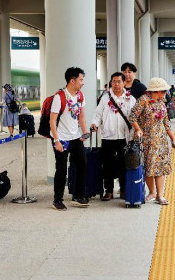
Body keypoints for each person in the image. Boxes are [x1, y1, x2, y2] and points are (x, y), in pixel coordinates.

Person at [129, 77, 175, 205]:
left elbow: (166, 123)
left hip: (160, 141)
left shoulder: (161, 103)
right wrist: (138, 129)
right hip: (147, 140)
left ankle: (160, 195)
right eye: (163, 91)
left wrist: (173, 139)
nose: (165, 94)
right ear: (156, 91)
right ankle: (152, 192)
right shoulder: (143, 101)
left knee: (160, 167)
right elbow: (132, 117)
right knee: (149, 166)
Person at [91, 72, 138, 201]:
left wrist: (137, 130)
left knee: (124, 163)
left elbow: (135, 116)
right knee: (107, 165)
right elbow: (98, 114)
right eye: (114, 81)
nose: (116, 84)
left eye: (119, 81)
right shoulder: (105, 98)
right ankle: (109, 190)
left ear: (124, 83)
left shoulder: (130, 99)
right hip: (108, 137)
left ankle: (123, 190)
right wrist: (94, 123)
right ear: (111, 83)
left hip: (124, 137)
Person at [50, 67, 91, 211]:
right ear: (72, 80)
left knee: (82, 164)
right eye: (81, 79)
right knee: (61, 169)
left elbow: (81, 116)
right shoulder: (59, 97)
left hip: (75, 138)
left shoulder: (80, 96)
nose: (83, 82)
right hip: (62, 138)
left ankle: (78, 196)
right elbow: (52, 121)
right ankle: (57, 200)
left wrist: (85, 132)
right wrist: (56, 140)